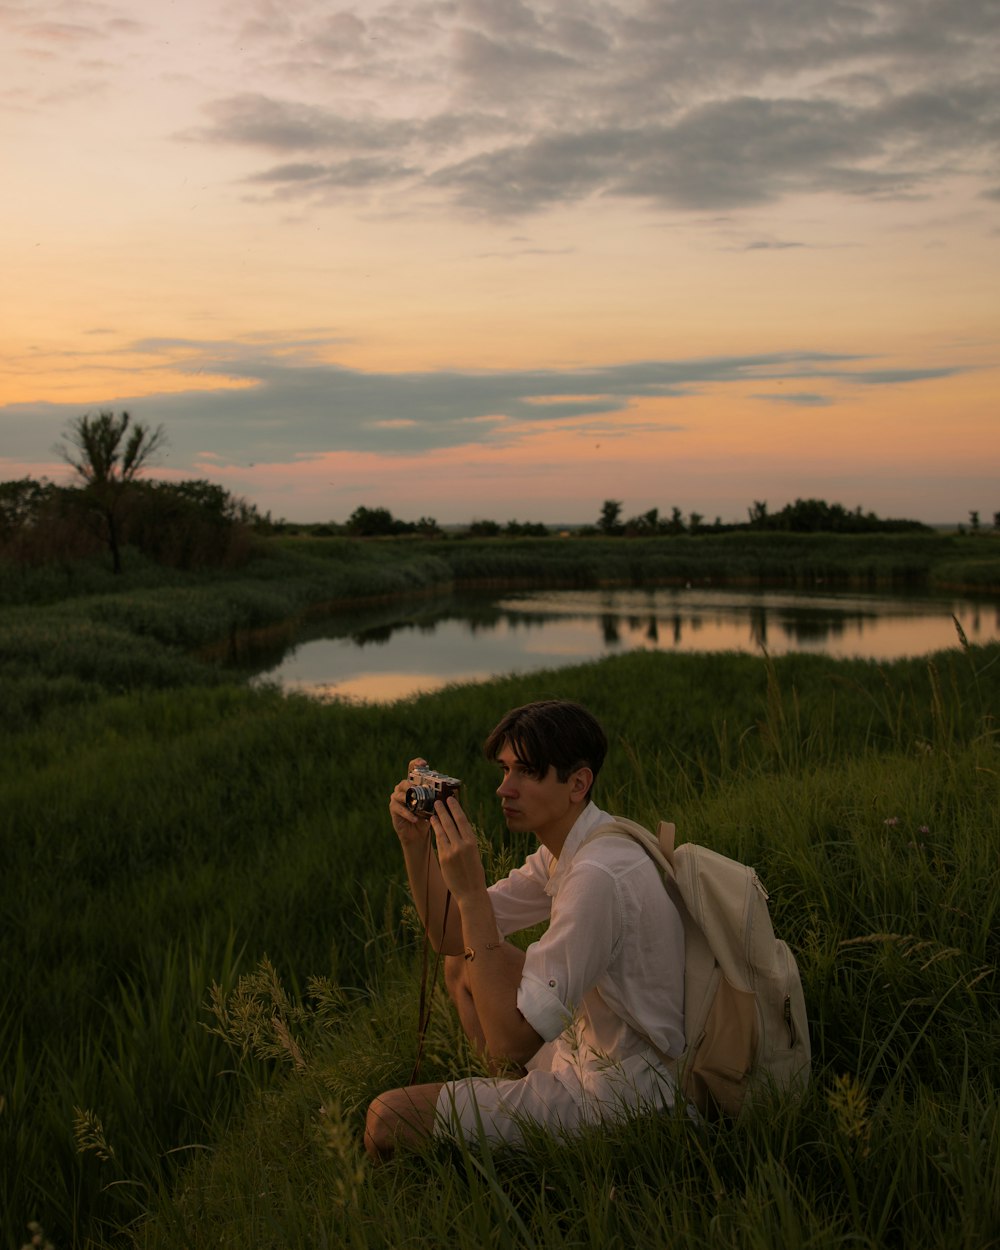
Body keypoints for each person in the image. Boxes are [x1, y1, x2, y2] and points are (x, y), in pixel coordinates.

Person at [364, 699, 686, 1159]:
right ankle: (507, 1113)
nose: (503, 789)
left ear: (578, 783)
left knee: (387, 1118)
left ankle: (515, 1127)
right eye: (504, 770)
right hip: (592, 1052)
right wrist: (416, 847)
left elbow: (511, 1042)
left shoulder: (596, 877)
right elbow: (451, 936)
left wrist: (472, 893)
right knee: (460, 966)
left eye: (526, 772)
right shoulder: (573, 846)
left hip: (620, 1099)